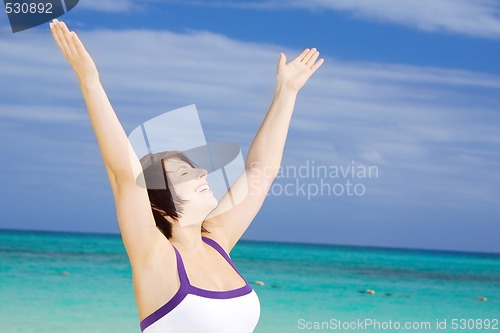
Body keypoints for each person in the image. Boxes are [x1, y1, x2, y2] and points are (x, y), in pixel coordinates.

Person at [49, 18, 323, 333]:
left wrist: (287, 92)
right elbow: (124, 174)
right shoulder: (154, 255)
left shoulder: (218, 240)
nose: (203, 172)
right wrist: (90, 81)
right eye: (184, 173)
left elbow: (262, 170)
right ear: (160, 204)